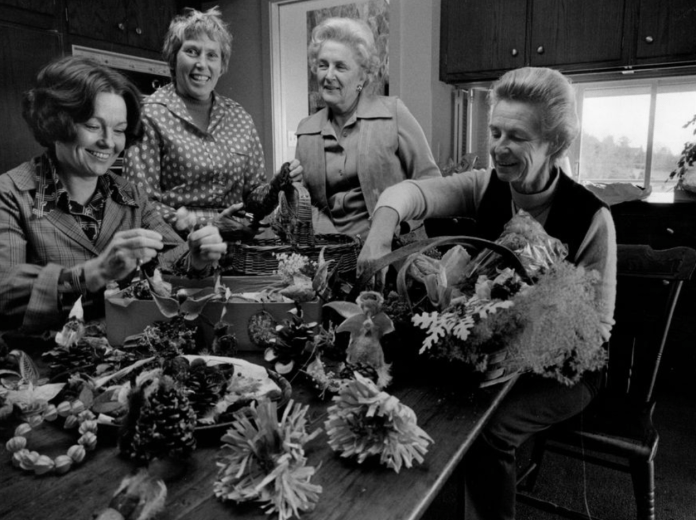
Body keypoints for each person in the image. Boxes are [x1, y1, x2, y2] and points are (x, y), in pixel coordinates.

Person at [357, 67, 617, 520]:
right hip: (491, 353)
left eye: (516, 136)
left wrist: (523, 334)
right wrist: (380, 233)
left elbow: (597, 328)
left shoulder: (592, 218)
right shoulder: (485, 186)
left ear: (554, 143)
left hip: (568, 369)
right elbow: (409, 192)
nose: (498, 146)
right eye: (495, 131)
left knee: (489, 430)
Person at [0, 56, 226, 333]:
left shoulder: (130, 195)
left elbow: (170, 259)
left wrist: (195, 257)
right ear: (54, 123)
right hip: (41, 361)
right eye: (93, 126)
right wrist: (92, 273)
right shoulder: (6, 194)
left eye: (119, 130)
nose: (109, 141)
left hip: (124, 348)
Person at [123, 7, 302, 240]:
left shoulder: (239, 118)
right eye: (192, 52)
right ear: (173, 58)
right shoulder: (150, 115)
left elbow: (253, 200)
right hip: (176, 247)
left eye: (211, 55)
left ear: (222, 65)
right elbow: (138, 203)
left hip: (238, 249)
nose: (202, 64)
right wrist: (207, 224)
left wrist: (277, 183)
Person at [294, 17, 441, 239]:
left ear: (362, 76)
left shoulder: (393, 114)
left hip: (395, 252)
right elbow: (303, 200)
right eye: (323, 65)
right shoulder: (306, 130)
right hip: (332, 255)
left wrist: (400, 227)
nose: (328, 75)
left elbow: (430, 182)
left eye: (340, 67)